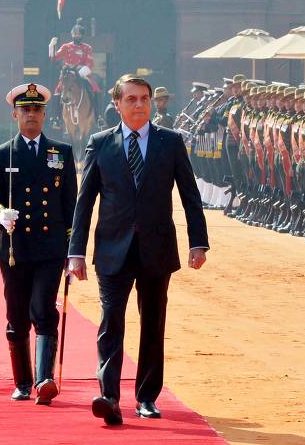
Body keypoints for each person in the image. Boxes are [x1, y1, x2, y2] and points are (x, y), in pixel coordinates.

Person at [67, 73, 209, 425]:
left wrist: (198, 242)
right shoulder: (100, 143)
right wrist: (76, 252)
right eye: (130, 99)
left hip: (156, 248)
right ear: (116, 104)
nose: (139, 105)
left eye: (144, 98)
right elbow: (84, 202)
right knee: (110, 323)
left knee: (153, 324)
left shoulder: (170, 142)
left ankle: (146, 398)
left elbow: (190, 195)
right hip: (112, 249)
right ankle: (109, 396)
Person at [0, 82, 77, 404]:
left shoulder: (61, 153)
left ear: (44, 114)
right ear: (15, 114)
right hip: (14, 249)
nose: (31, 114)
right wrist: (0, 216)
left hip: (50, 248)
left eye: (37, 109)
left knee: (43, 309)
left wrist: (72, 249)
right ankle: (23, 382)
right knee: (17, 315)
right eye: (25, 109)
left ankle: (45, 379)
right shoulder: (2, 154)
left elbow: (71, 206)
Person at [49, 18, 104, 130]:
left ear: (82, 36)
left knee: (95, 89)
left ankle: (99, 117)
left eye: (78, 34)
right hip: (68, 73)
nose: (76, 36)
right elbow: (54, 58)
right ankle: (56, 118)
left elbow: (90, 62)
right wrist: (52, 47)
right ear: (71, 34)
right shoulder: (66, 47)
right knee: (58, 90)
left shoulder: (87, 48)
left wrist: (83, 70)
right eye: (74, 34)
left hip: (81, 73)